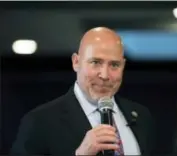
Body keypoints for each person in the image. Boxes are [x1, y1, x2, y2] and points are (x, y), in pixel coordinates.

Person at [10, 27, 155, 156]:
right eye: (95, 62)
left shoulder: (141, 116)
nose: (104, 75)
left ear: (123, 66)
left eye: (114, 65)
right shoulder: (39, 121)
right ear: (76, 62)